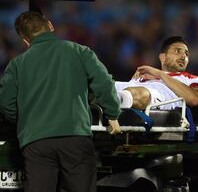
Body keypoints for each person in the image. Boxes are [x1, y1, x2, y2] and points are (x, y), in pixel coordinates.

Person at [0, 11, 121, 192]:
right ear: (50, 25)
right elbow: (104, 82)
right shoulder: (80, 51)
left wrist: (26, 120)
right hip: (75, 137)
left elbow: (5, 104)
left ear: (25, 41)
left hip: (36, 142)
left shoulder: (16, 65)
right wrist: (112, 113)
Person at [116, 36, 198, 110]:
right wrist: (133, 81)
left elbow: (195, 99)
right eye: (177, 51)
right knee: (106, 85)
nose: (183, 56)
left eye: (186, 54)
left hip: (154, 96)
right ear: (163, 57)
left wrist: (160, 74)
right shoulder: (144, 75)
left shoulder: (192, 79)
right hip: (129, 93)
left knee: (136, 94)